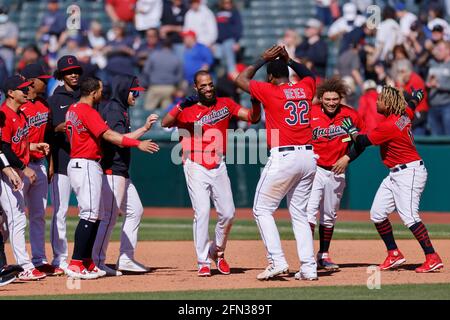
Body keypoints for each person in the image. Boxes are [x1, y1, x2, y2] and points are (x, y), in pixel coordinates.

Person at [161, 70, 261, 277]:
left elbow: (252, 117)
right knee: (203, 212)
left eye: (210, 84)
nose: (208, 88)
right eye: (203, 85)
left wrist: (255, 101)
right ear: (196, 88)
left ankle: (217, 251)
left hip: (218, 163)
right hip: (195, 164)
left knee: (229, 213)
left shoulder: (225, 104)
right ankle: (202, 260)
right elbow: (165, 123)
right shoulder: (187, 109)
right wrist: (180, 105)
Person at [235, 45, 318, 281]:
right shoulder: (304, 87)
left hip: (285, 156)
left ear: (271, 77)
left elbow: (241, 79)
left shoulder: (269, 90)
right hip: (309, 157)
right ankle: (309, 268)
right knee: (300, 214)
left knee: (262, 209)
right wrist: (290, 60)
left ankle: (277, 260)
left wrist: (262, 58)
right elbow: (310, 75)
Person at [341, 86, 444, 273]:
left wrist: (352, 131)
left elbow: (362, 141)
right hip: (396, 173)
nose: (377, 102)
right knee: (377, 213)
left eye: (380, 100)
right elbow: (412, 104)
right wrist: (417, 97)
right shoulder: (404, 114)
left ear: (388, 104)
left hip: (409, 172)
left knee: (410, 217)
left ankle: (432, 256)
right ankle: (394, 253)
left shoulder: (388, 126)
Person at [64, 77, 159, 279]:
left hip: (84, 162)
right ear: (92, 93)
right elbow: (110, 135)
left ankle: (88, 262)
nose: (102, 94)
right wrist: (138, 144)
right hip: (87, 162)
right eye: (99, 90)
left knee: (98, 214)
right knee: (91, 214)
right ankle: (77, 263)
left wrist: (142, 131)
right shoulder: (88, 110)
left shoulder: (73, 108)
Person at [92, 75, 159, 276]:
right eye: (134, 92)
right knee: (109, 217)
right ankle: (97, 261)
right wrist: (144, 130)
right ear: (123, 91)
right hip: (112, 170)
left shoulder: (120, 108)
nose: (136, 96)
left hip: (120, 171)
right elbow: (120, 140)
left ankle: (126, 258)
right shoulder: (114, 110)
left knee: (135, 210)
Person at [306, 77, 365, 271]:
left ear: (340, 98)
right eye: (327, 99)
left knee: (329, 216)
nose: (331, 103)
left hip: (336, 170)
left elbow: (361, 142)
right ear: (320, 98)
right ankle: (306, 256)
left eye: (335, 99)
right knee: (308, 214)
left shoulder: (350, 115)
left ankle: (323, 255)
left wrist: (348, 158)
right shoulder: (310, 112)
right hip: (314, 169)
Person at [0, 75, 50, 281]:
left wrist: (33, 147)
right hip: (7, 173)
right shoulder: (3, 113)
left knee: (7, 224)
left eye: (28, 87)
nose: (28, 91)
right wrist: (22, 167)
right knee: (17, 218)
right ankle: (25, 266)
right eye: (23, 89)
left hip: (15, 170)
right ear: (11, 93)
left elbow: (15, 144)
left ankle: (7, 265)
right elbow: (2, 147)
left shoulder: (19, 114)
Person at [19, 63, 63, 276]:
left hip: (39, 164)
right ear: (29, 81)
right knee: (14, 218)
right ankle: (19, 263)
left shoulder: (45, 104)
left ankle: (38, 259)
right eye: (41, 80)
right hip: (19, 166)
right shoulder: (17, 106)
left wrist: (51, 163)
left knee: (38, 215)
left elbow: (49, 137)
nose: (45, 83)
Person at [47, 55, 83, 271]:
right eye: (69, 71)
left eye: (76, 71)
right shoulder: (53, 100)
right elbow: (46, 133)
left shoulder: (87, 97)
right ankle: (59, 258)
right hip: (61, 160)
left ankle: (83, 257)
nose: (73, 74)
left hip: (85, 160)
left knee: (87, 210)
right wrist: (50, 162)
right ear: (61, 75)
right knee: (59, 211)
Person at [141, 38, 182, 111]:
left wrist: (146, 83)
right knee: (166, 115)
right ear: (171, 46)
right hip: (169, 88)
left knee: (148, 112)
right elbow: (179, 76)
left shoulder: (153, 55)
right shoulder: (176, 58)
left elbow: (146, 71)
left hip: (154, 87)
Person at [426, 40, 450, 135]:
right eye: (436, 49)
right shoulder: (432, 63)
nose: (437, 52)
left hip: (447, 106)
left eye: (440, 49)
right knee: (435, 137)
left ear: (448, 50)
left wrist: (439, 86)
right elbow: (428, 81)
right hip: (432, 106)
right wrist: (428, 84)